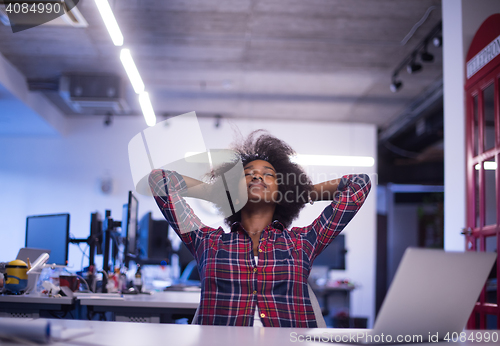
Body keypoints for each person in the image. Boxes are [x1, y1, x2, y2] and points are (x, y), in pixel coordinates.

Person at [148, 130, 371, 327]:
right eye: (247, 174)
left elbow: (359, 184)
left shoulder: (302, 243)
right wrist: (215, 192)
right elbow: (160, 180)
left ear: (282, 190)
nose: (257, 176)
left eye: (268, 175)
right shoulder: (208, 242)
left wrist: (301, 192)